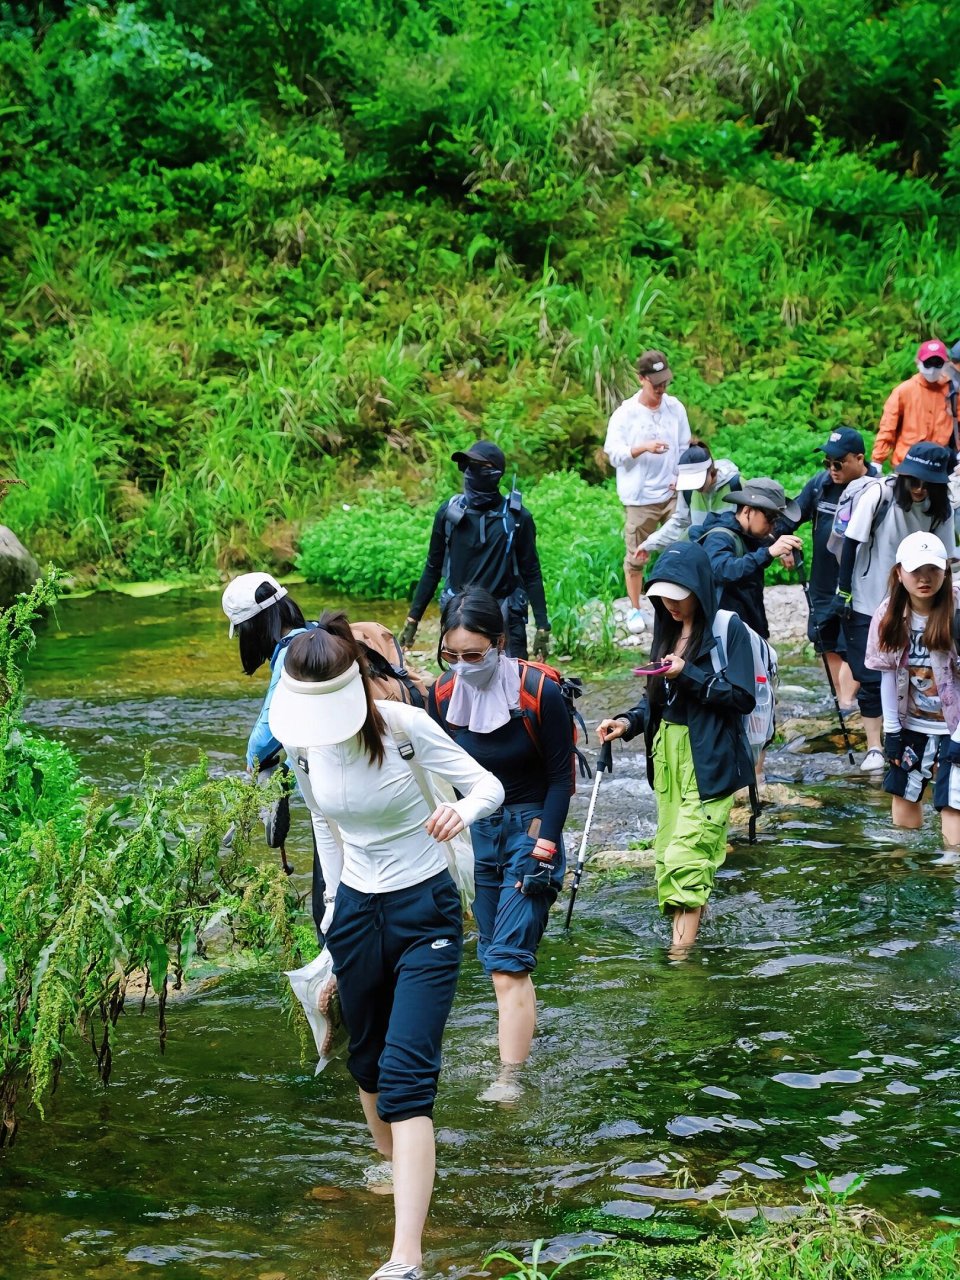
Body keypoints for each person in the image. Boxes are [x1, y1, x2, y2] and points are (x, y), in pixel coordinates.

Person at [268, 614, 504, 1280]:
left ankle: (406, 1256)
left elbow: (489, 786)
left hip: (423, 908)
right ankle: (402, 1176)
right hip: (354, 917)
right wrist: (332, 921)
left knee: (405, 1078)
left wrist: (463, 811)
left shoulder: (404, 729)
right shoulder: (305, 749)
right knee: (366, 1067)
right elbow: (325, 829)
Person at [427, 587, 571, 1102]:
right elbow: (442, 772)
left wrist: (546, 847)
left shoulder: (539, 693)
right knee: (493, 953)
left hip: (532, 830)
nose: (463, 666)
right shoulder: (443, 695)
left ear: (500, 643)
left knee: (508, 958)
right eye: (453, 655)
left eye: (475, 655)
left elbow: (561, 779)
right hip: (478, 833)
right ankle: (521, 1032)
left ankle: (509, 1080)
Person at [596, 542, 756, 952]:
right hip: (667, 756)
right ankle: (695, 936)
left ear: (699, 589)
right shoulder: (666, 630)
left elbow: (742, 698)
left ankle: (679, 957)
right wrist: (627, 722)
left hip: (710, 756)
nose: (669, 604)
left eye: (677, 596)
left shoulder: (727, 629)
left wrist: (691, 674)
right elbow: (656, 700)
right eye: (661, 596)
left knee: (688, 854)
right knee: (668, 853)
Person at [835, 442, 960, 772]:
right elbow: (852, 541)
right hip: (869, 597)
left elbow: (947, 558)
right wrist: (843, 591)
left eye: (926, 483)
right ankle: (876, 745)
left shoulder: (940, 506)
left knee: (924, 667)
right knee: (874, 675)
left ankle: (928, 742)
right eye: (914, 482)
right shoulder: (879, 495)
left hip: (920, 600)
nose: (919, 489)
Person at [400, 441, 549, 661]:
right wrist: (413, 619)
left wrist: (542, 627)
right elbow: (432, 567)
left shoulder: (517, 518)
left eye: (479, 467)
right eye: (467, 466)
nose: (471, 473)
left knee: (512, 686)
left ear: (496, 473)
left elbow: (531, 573)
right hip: (460, 618)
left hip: (504, 617)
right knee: (462, 683)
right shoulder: (448, 514)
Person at [864, 532, 960, 844]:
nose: (925, 578)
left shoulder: (956, 609)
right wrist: (891, 732)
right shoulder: (889, 614)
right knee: (904, 796)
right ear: (899, 572)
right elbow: (888, 676)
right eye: (916, 570)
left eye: (933, 569)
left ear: (945, 571)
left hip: (955, 725)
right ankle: (905, 871)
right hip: (912, 724)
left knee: (953, 802)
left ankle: (947, 872)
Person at [776, 428, 876, 709]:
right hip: (822, 583)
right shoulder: (821, 485)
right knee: (825, 640)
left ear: (859, 458)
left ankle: (847, 703)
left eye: (838, 463)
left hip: (860, 584)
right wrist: (783, 542)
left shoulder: (878, 488)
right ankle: (843, 703)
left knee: (853, 644)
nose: (832, 469)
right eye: (827, 463)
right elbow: (788, 518)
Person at [603, 349, 691, 633]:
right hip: (641, 499)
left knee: (680, 547)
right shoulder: (626, 414)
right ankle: (635, 609)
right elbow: (613, 453)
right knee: (637, 554)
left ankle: (681, 603)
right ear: (641, 379)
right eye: (656, 385)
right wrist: (642, 448)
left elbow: (685, 445)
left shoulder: (675, 408)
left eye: (665, 383)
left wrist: (681, 477)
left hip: (672, 492)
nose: (662, 390)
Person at [694, 478, 803, 639]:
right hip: (724, 634)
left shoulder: (751, 535)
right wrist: (768, 552)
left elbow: (763, 549)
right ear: (747, 511)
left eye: (777, 519)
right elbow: (720, 570)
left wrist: (785, 549)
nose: (773, 526)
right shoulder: (719, 536)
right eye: (770, 518)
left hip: (751, 626)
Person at [637, 440, 741, 555]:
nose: (696, 488)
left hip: (732, 559)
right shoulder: (688, 491)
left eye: (698, 482)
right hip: (702, 557)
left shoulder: (736, 485)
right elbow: (680, 523)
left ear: (710, 471)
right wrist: (648, 544)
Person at [872, 340, 956, 468]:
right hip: (907, 463)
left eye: (937, 363)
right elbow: (888, 427)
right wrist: (877, 460)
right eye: (928, 363)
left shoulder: (952, 393)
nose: (932, 369)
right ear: (918, 362)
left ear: (945, 364)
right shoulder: (904, 391)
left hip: (938, 465)